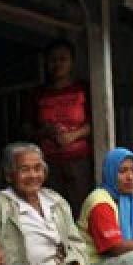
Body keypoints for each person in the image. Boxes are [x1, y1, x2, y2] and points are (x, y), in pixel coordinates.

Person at [21, 37, 92, 214]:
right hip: (48, 163)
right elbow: (25, 128)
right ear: (46, 62)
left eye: (63, 59)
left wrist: (73, 135)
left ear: (72, 62)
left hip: (79, 162)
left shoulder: (83, 89)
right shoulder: (37, 93)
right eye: (53, 60)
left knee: (81, 208)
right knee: (52, 210)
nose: (57, 64)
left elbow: (97, 123)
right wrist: (43, 131)